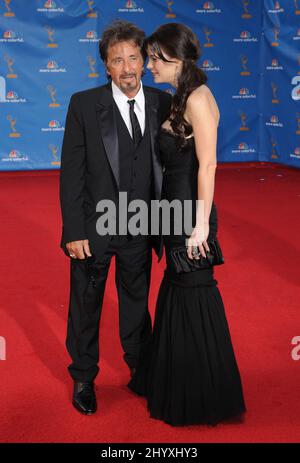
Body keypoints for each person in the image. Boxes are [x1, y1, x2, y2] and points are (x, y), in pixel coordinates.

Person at [128, 23, 247, 426]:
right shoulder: (180, 97)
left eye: (152, 59)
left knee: (194, 292)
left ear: (172, 58)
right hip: (173, 211)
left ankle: (202, 394)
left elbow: (209, 164)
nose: (147, 67)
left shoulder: (197, 97)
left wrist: (199, 227)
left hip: (189, 215)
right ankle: (179, 380)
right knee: (179, 292)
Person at [60, 20, 172, 415]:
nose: (126, 68)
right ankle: (84, 377)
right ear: (105, 67)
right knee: (86, 304)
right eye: (116, 60)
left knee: (136, 303)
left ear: (144, 60)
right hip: (95, 229)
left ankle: (140, 370)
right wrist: (74, 229)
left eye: (133, 58)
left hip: (143, 225)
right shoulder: (84, 105)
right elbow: (71, 172)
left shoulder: (163, 102)